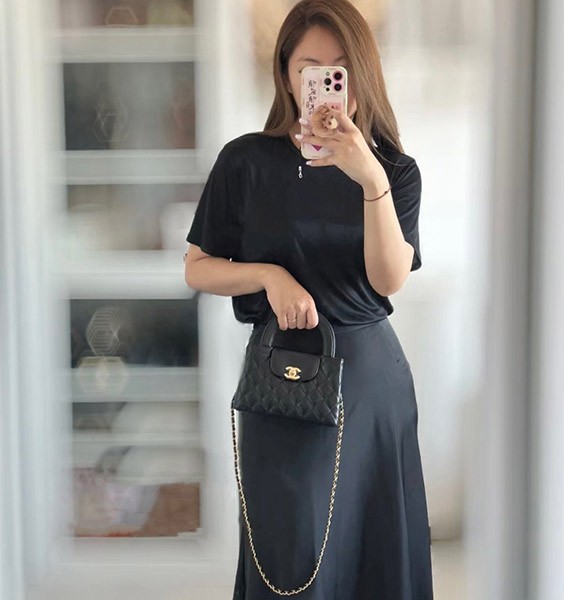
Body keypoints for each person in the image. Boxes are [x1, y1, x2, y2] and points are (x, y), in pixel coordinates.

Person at [184, 0, 434, 598]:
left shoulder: (394, 171)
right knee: (289, 557)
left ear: (361, 74)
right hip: (281, 379)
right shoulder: (246, 161)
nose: (324, 83)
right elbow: (197, 268)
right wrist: (268, 275)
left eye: (338, 68)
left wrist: (368, 178)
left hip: (369, 384)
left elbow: (389, 279)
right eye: (309, 68)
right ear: (287, 75)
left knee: (375, 555)